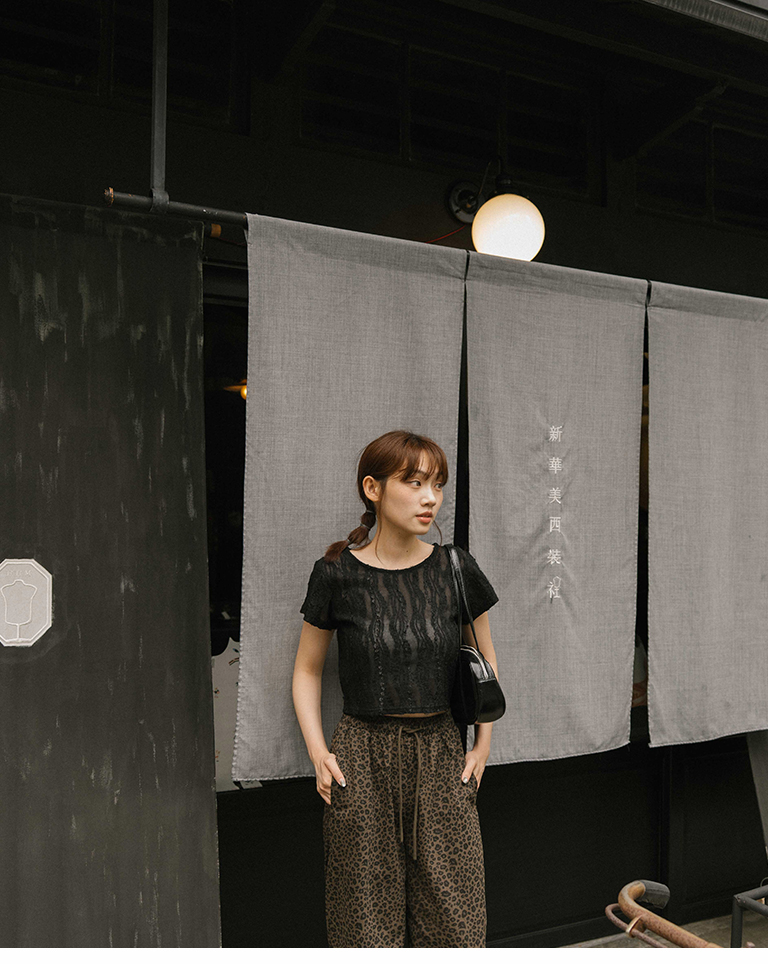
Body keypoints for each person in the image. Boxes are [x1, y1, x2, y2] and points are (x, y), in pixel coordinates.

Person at [292, 429, 500, 948]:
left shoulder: (455, 567)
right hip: (361, 756)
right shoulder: (336, 573)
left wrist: (482, 746)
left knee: (455, 919)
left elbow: (485, 661)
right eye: (414, 483)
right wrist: (319, 752)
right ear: (373, 489)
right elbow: (307, 670)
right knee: (364, 921)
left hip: (442, 752)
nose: (431, 498)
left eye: (438, 485)